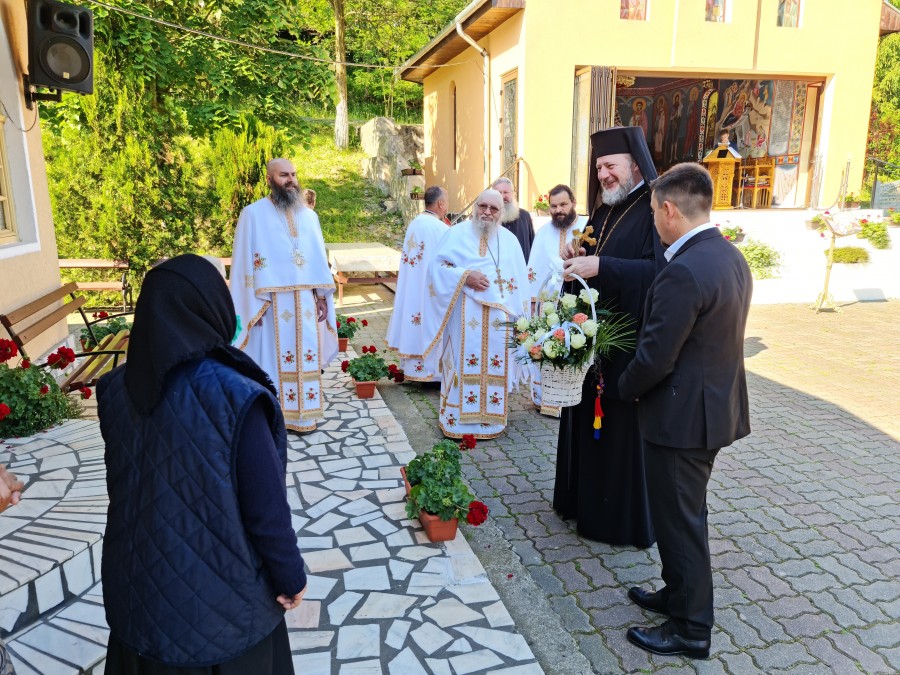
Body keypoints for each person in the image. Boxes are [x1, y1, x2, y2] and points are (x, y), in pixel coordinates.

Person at [98, 255, 307, 674]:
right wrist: (290, 578)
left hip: (138, 602)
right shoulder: (236, 395)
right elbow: (266, 511)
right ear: (208, 305)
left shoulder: (116, 388)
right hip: (223, 618)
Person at [619, 163, 752, 659]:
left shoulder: (683, 270)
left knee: (680, 524)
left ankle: (691, 629)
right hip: (711, 411)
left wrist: (623, 388)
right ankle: (676, 594)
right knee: (682, 514)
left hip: (680, 421)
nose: (653, 220)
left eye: (654, 211)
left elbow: (656, 356)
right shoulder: (728, 255)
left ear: (670, 210)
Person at [555, 126, 664, 547]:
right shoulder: (603, 210)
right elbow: (593, 255)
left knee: (618, 430)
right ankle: (581, 503)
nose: (603, 175)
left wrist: (602, 267)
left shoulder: (655, 209)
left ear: (634, 164)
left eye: (611, 165)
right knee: (584, 419)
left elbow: (659, 273)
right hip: (592, 339)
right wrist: (578, 258)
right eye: (599, 166)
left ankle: (616, 521)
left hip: (628, 342)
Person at [231, 158, 338, 432]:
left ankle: (305, 415)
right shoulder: (252, 214)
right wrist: (252, 306)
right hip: (270, 306)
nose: (291, 180)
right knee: (272, 360)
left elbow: (317, 257)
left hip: (304, 302)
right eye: (283, 175)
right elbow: (244, 264)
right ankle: (276, 416)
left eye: (293, 174)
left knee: (305, 356)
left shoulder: (309, 216)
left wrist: (323, 296)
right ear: (269, 179)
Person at [422, 189, 528, 439]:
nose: (487, 212)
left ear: (502, 213)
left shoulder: (510, 241)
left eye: (494, 209)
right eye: (483, 206)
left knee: (495, 363)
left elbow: (519, 283)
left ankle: (490, 420)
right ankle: (457, 421)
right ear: (474, 206)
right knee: (461, 361)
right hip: (462, 314)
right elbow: (436, 268)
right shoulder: (455, 234)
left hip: (498, 319)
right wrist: (465, 276)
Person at [525, 184, 586, 417]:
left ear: (573, 203)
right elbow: (534, 270)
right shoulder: (543, 232)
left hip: (576, 299)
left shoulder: (586, 228)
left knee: (574, 345)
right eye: (553, 206)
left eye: (563, 204)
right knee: (550, 344)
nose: (558, 210)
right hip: (549, 302)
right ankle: (547, 399)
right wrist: (533, 303)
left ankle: (571, 398)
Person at [385, 186, 450, 382]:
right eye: (446, 201)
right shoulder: (440, 228)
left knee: (414, 322)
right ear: (440, 203)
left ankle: (414, 370)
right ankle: (434, 373)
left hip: (412, 287)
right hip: (431, 291)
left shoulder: (415, 223)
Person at [493, 177, 535, 261]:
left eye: (506, 192)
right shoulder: (489, 217)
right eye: (498, 192)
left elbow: (532, 244)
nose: (502, 196)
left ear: (513, 194)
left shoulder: (525, 216)